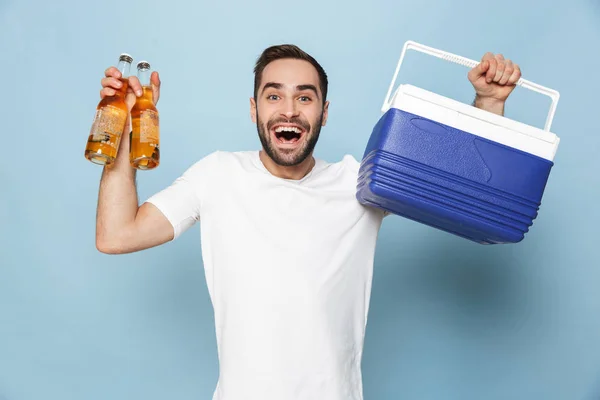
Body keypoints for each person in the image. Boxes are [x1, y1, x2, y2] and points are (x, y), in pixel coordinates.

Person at [95, 44, 522, 400]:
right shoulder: (218, 175)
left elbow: (465, 181)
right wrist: (124, 131)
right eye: (273, 95)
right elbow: (116, 235)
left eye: (304, 97)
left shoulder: (363, 183)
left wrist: (488, 103)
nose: (289, 110)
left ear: (324, 111)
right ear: (253, 108)